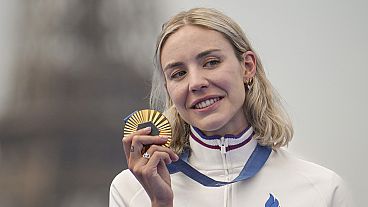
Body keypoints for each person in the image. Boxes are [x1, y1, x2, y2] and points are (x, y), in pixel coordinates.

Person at [110, 8, 351, 207]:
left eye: (211, 62)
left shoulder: (323, 190)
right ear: (169, 89)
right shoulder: (132, 189)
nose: (195, 83)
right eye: (179, 73)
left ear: (247, 66)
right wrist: (160, 203)